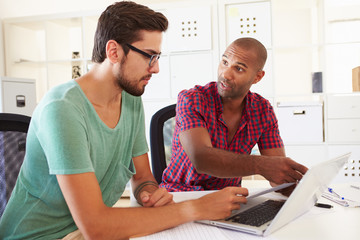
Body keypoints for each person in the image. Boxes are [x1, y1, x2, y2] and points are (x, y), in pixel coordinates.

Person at [0, 2, 249, 239]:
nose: (156, 68)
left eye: (158, 57)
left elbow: (142, 177)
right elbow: (96, 227)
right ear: (114, 51)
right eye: (149, 56)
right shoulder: (62, 109)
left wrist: (149, 193)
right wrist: (196, 208)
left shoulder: (130, 99)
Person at [160, 37, 308, 194]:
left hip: (228, 200)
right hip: (181, 196)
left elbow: (277, 175)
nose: (226, 74)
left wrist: (298, 186)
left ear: (258, 77)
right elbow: (201, 159)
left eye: (239, 69)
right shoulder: (192, 99)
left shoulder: (262, 110)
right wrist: (261, 165)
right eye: (225, 62)